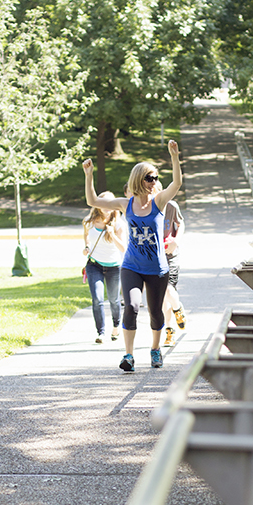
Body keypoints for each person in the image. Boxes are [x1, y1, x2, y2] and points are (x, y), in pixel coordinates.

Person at [83, 140, 182, 371]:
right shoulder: (126, 204)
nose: (153, 182)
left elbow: (176, 183)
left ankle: (155, 350)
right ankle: (128, 356)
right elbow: (93, 201)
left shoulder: (159, 201)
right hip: (131, 266)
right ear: (139, 179)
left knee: (156, 312)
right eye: (149, 178)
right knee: (132, 306)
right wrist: (89, 176)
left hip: (157, 268)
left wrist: (174, 157)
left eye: (155, 178)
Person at [82, 202, 124, 342]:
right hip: (94, 265)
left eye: (109, 205)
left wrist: (112, 234)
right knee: (97, 299)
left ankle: (116, 326)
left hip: (114, 267)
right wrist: (87, 246)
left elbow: (123, 248)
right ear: (98, 205)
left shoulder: (118, 224)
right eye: (103, 204)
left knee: (114, 299)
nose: (106, 208)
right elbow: (87, 235)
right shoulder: (89, 221)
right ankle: (101, 333)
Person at [161, 199, 186, 345]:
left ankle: (178, 308)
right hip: (155, 257)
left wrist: (176, 241)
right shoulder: (146, 207)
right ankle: (169, 331)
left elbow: (180, 223)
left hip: (171, 255)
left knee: (169, 291)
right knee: (163, 297)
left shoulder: (171, 206)